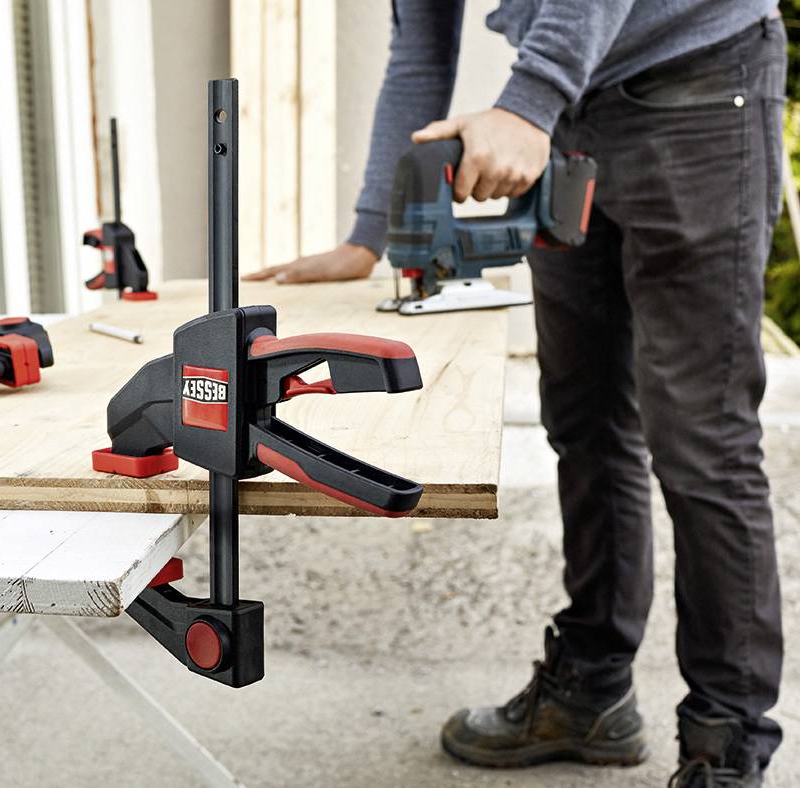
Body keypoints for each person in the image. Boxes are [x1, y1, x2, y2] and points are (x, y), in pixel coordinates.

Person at [245, 3, 786, 786]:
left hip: (702, 84)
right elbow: (420, 47)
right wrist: (371, 232)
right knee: (585, 424)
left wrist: (529, 99)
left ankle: (726, 746)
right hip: (570, 114)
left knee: (701, 440)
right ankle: (592, 693)